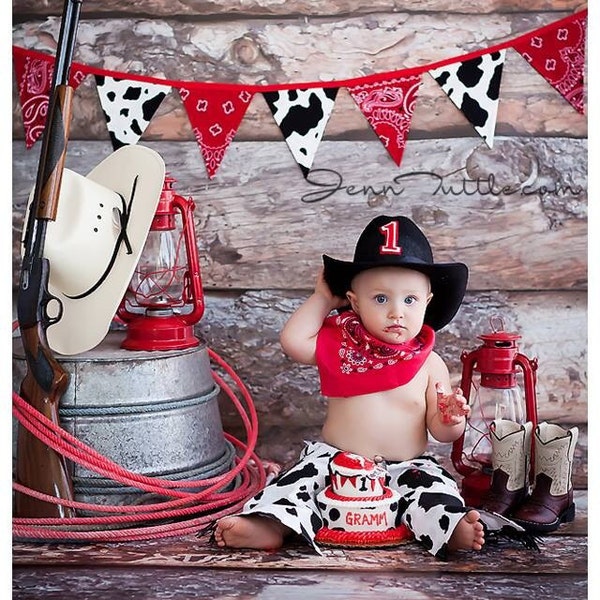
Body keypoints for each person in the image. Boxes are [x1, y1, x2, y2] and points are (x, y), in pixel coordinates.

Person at [215, 215, 483, 559]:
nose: (396, 313)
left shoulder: (431, 364)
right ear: (355, 302)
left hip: (405, 466)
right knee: (296, 484)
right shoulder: (342, 345)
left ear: (428, 301)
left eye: (410, 300)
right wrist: (322, 299)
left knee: (433, 490)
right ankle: (271, 524)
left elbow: (441, 432)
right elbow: (293, 341)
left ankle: (448, 527)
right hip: (336, 461)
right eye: (381, 299)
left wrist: (450, 418)